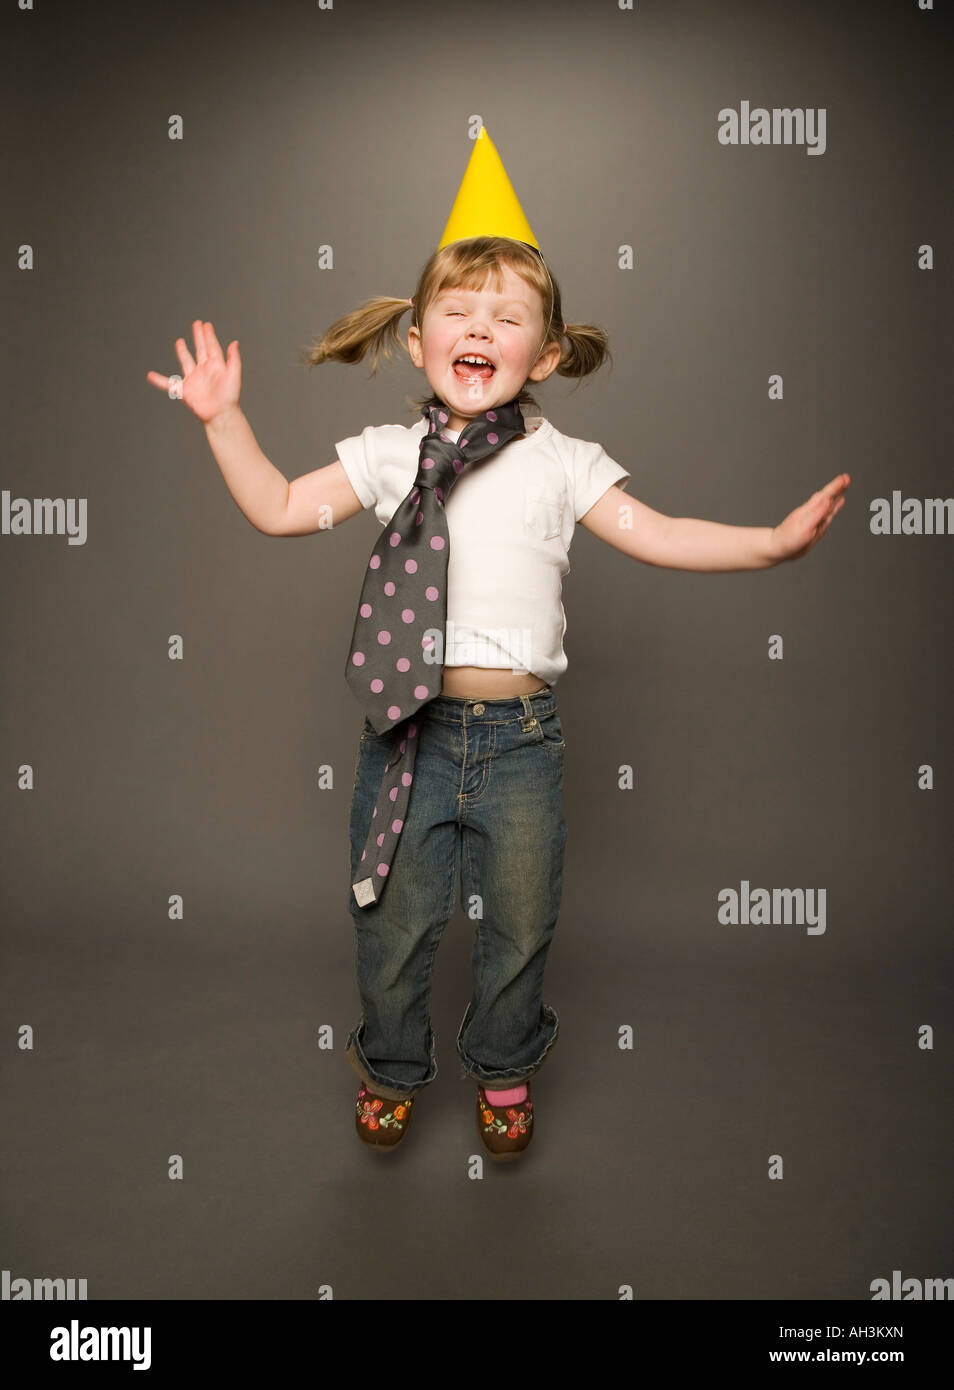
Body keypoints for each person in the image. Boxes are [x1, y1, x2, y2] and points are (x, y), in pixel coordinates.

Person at [146, 236, 849, 1162]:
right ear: (416, 337)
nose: (481, 327)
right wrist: (222, 420)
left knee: (520, 925)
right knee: (392, 926)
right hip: (408, 733)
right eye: (458, 312)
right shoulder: (390, 455)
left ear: (546, 355)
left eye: (508, 317)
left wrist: (770, 544)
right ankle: (392, 1069)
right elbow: (278, 505)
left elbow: (663, 531)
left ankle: (504, 1069)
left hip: (521, 743)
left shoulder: (564, 462)